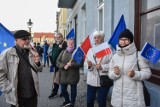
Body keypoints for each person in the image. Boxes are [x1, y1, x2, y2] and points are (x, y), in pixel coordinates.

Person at [108, 29, 152, 107]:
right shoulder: (115, 56)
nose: (123, 42)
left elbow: (147, 73)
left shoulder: (138, 56)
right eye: (121, 39)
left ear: (130, 41)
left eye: (126, 40)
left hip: (134, 99)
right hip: (117, 98)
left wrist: (135, 74)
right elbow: (110, 73)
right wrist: (115, 73)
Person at [0, 30, 43, 107]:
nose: (27, 41)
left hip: (32, 93)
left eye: (28, 38)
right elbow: (1, 74)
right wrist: (9, 88)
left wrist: (37, 62)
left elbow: (39, 69)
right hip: (16, 94)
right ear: (16, 40)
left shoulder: (32, 51)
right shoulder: (7, 53)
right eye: (24, 39)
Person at [84, 31, 113, 107]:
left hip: (104, 79)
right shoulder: (90, 50)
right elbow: (85, 63)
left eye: (99, 37)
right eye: (95, 37)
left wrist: (102, 67)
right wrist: (89, 65)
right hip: (92, 79)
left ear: (103, 38)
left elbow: (113, 64)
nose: (97, 39)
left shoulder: (108, 49)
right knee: (90, 99)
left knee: (101, 99)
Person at [56, 38, 83, 107]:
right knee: (63, 90)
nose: (70, 44)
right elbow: (57, 62)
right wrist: (63, 66)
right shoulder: (63, 52)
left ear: (74, 43)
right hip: (64, 75)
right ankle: (67, 101)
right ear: (67, 44)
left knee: (73, 90)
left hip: (73, 75)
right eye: (69, 43)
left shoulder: (77, 53)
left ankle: (72, 102)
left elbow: (80, 64)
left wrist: (72, 64)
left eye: (72, 43)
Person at [48, 33, 67, 99]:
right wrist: (52, 63)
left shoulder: (64, 44)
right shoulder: (54, 44)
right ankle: (55, 92)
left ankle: (63, 92)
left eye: (59, 37)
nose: (57, 38)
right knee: (56, 79)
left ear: (62, 37)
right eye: (56, 37)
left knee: (62, 79)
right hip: (55, 64)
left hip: (62, 64)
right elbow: (53, 53)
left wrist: (62, 48)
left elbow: (66, 54)